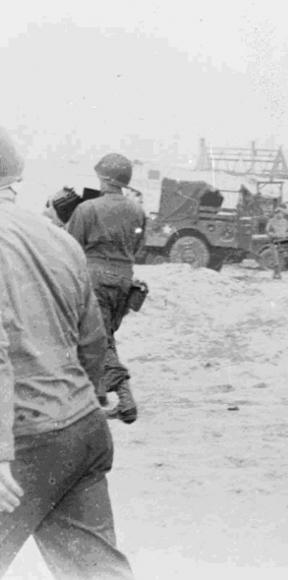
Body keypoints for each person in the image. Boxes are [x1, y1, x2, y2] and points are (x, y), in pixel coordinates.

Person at [0, 128, 134, 578]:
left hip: (23, 443)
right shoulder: (57, 238)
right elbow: (93, 339)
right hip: (81, 429)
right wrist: (88, 397)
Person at [67, 153, 146, 424]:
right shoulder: (137, 210)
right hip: (125, 278)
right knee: (105, 334)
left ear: (103, 178)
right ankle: (97, 395)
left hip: (95, 277)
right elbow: (138, 247)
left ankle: (125, 400)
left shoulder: (87, 209)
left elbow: (72, 247)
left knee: (100, 339)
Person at [266, 208, 288, 280]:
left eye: (281, 213)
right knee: (275, 259)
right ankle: (276, 274)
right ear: (275, 214)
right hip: (274, 242)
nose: (279, 214)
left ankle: (278, 274)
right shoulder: (271, 221)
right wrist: (273, 235)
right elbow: (268, 231)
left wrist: (287, 235)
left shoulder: (286, 222)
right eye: (277, 213)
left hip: (283, 241)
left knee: (281, 258)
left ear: (283, 214)